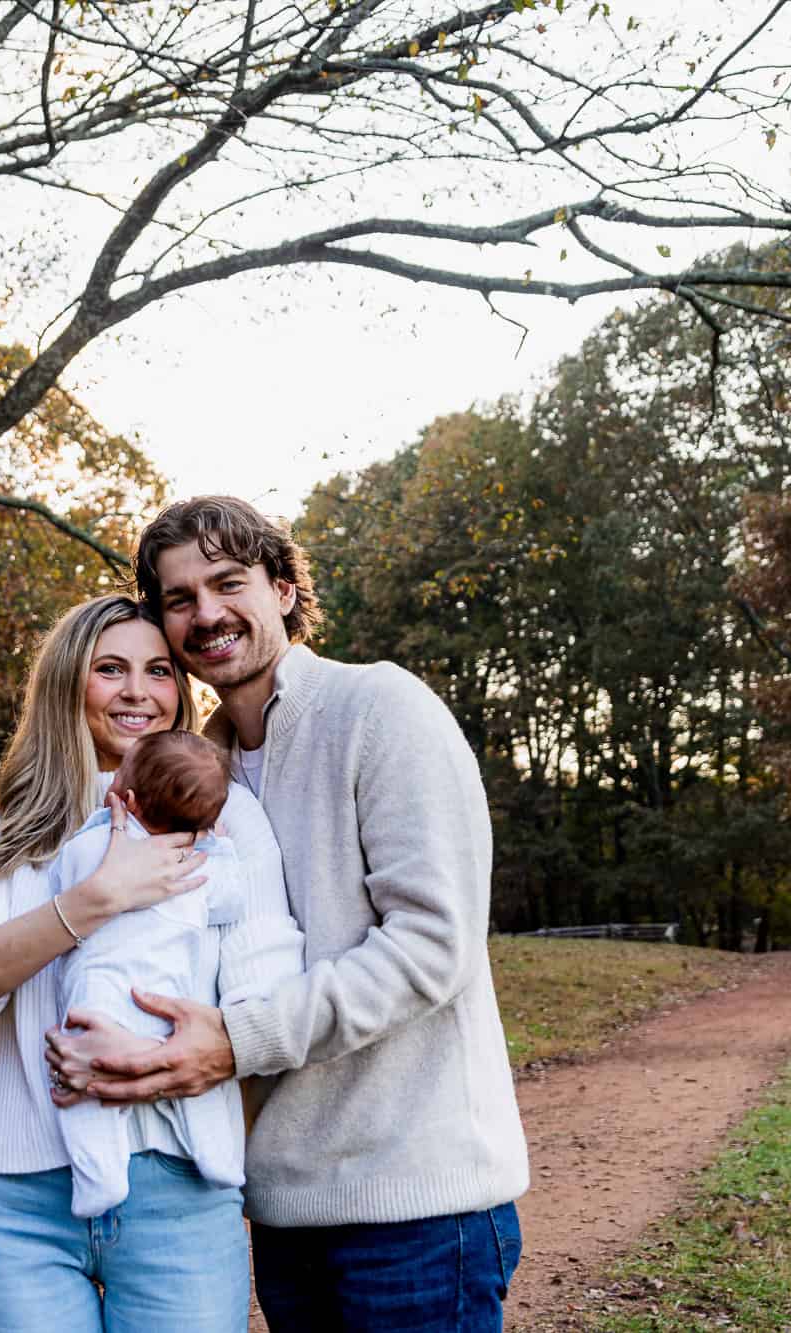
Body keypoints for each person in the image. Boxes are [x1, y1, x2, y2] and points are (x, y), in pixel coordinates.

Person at [48, 496, 530, 1333]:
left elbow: (431, 946)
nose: (206, 613)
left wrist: (235, 1039)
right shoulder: (202, 773)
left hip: (413, 1208)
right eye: (179, 598)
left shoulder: (380, 709)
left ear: (281, 587)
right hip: (279, 1211)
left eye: (229, 582)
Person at [0, 594, 294, 1333]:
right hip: (19, 1200)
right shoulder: (8, 831)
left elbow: (265, 989)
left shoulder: (227, 819)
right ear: (66, 684)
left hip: (180, 1184)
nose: (137, 692)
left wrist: (143, 1057)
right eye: (109, 669)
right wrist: (92, 899)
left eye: (158, 671)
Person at [49, 730, 302, 1219]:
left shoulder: (98, 845)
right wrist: (220, 851)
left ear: (128, 798)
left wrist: (104, 823)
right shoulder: (197, 869)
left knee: (84, 1089)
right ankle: (219, 1159)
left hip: (101, 994)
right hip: (168, 1003)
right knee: (195, 1093)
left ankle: (98, 1177)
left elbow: (66, 883)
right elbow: (232, 900)